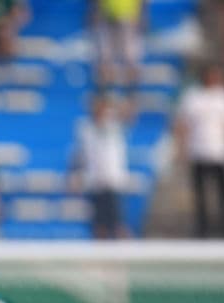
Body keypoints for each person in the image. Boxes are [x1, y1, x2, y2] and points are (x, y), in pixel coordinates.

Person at [174, 64, 224, 238]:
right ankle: (202, 229)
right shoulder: (193, 97)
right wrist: (181, 148)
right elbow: (182, 124)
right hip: (198, 151)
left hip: (220, 152)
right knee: (201, 194)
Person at [71, 95, 130, 239]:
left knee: (117, 223)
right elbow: (80, 155)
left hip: (113, 181)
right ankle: (101, 256)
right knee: (98, 225)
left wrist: (113, 104)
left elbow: (129, 112)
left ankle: (125, 254)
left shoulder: (115, 126)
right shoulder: (86, 129)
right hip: (95, 182)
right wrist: (76, 174)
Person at [91, 0, 144, 90]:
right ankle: (105, 90)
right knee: (105, 58)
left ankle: (131, 90)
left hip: (128, 14)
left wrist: (141, 15)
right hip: (106, 14)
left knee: (130, 56)